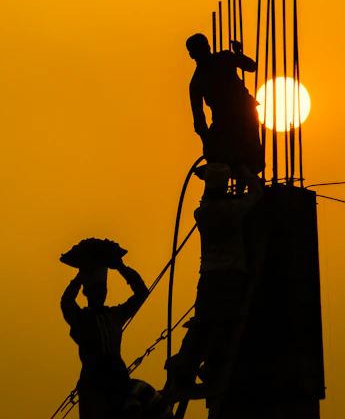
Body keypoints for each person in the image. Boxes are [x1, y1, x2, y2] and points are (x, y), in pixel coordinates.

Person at [165, 162, 263, 395]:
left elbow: (207, 201)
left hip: (208, 277)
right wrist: (244, 172)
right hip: (232, 277)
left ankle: (186, 366)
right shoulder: (234, 209)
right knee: (224, 323)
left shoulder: (201, 213)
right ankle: (212, 367)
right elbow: (258, 193)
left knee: (202, 322)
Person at [61, 260, 149, 419]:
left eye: (103, 288)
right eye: (96, 289)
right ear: (86, 292)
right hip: (94, 386)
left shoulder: (114, 315)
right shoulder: (81, 319)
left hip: (118, 382)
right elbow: (66, 302)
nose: (101, 293)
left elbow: (142, 293)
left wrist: (121, 267)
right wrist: (80, 277)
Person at [186, 34, 263, 175]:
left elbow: (251, 67)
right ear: (192, 55)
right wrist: (207, 141)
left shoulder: (224, 58)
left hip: (244, 115)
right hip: (225, 121)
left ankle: (245, 183)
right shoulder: (197, 81)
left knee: (246, 156)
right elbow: (199, 119)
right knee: (222, 159)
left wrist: (238, 53)